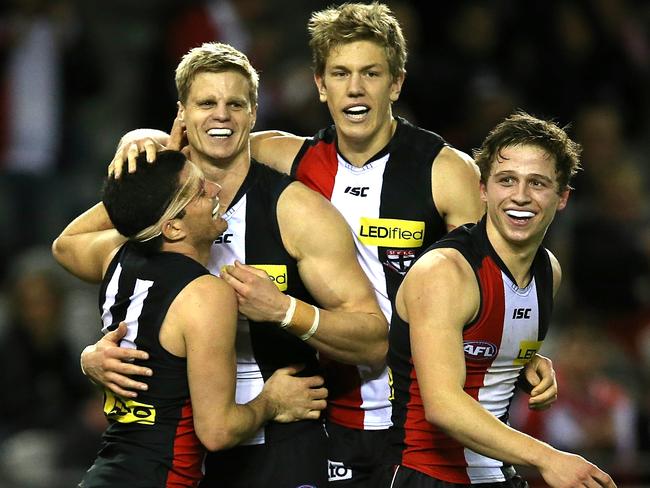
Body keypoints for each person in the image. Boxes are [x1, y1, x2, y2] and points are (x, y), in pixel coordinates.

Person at [108, 4, 558, 486]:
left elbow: (490, 281)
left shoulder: (444, 172)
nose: (356, 88)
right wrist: (141, 137)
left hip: (423, 419)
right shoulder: (286, 157)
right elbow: (201, 143)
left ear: (396, 83)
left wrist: (521, 352)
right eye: (341, 74)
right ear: (320, 84)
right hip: (328, 414)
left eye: (371, 73)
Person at [81, 42, 388, 488]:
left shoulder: (296, 210)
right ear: (182, 112)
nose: (221, 115)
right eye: (206, 103)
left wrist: (285, 311)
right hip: (180, 448)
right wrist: (90, 357)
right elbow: (68, 247)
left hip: (277, 442)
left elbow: (374, 339)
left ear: (253, 113)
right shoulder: (161, 206)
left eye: (235, 104)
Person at [51, 150, 327, 487]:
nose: (214, 189)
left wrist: (138, 183)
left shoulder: (114, 256)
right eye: (198, 191)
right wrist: (273, 401)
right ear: (173, 227)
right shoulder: (206, 294)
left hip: (109, 473)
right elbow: (217, 431)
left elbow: (65, 243)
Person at [381, 111, 616, 486]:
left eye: (537, 183)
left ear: (562, 198)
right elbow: (443, 405)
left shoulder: (548, 272)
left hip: (499, 476)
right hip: (426, 476)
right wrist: (547, 457)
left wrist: (523, 361)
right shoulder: (445, 272)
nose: (520, 196)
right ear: (482, 189)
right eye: (507, 180)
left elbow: (489, 340)